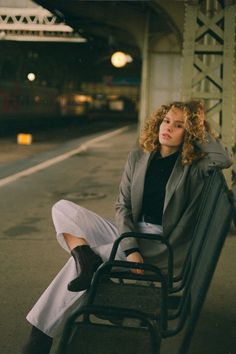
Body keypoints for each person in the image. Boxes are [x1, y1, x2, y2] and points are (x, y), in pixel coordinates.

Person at [20, 100, 232, 354]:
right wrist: (130, 247)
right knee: (62, 208)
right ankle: (85, 258)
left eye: (178, 126)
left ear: (190, 134)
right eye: (166, 121)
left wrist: (197, 125)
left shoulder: (193, 167)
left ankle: (40, 334)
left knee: (89, 259)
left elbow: (222, 158)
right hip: (128, 232)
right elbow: (123, 207)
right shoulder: (138, 158)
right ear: (158, 122)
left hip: (157, 244)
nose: (168, 128)